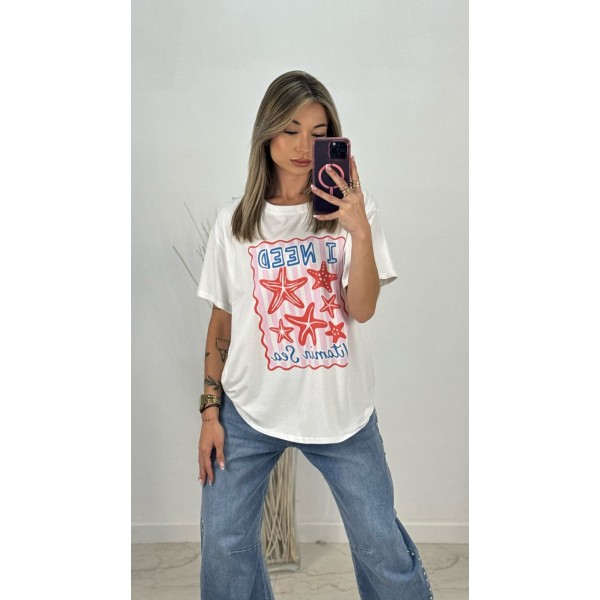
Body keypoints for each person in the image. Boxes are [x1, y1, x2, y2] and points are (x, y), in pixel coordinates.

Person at [196, 70, 433, 600]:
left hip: (340, 410)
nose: (304, 146)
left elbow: (362, 309)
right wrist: (211, 414)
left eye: (318, 133)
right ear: (266, 133)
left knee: (380, 544)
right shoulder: (233, 223)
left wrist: (359, 231)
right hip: (249, 411)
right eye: (290, 130)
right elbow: (221, 324)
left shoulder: (354, 213)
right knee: (224, 545)